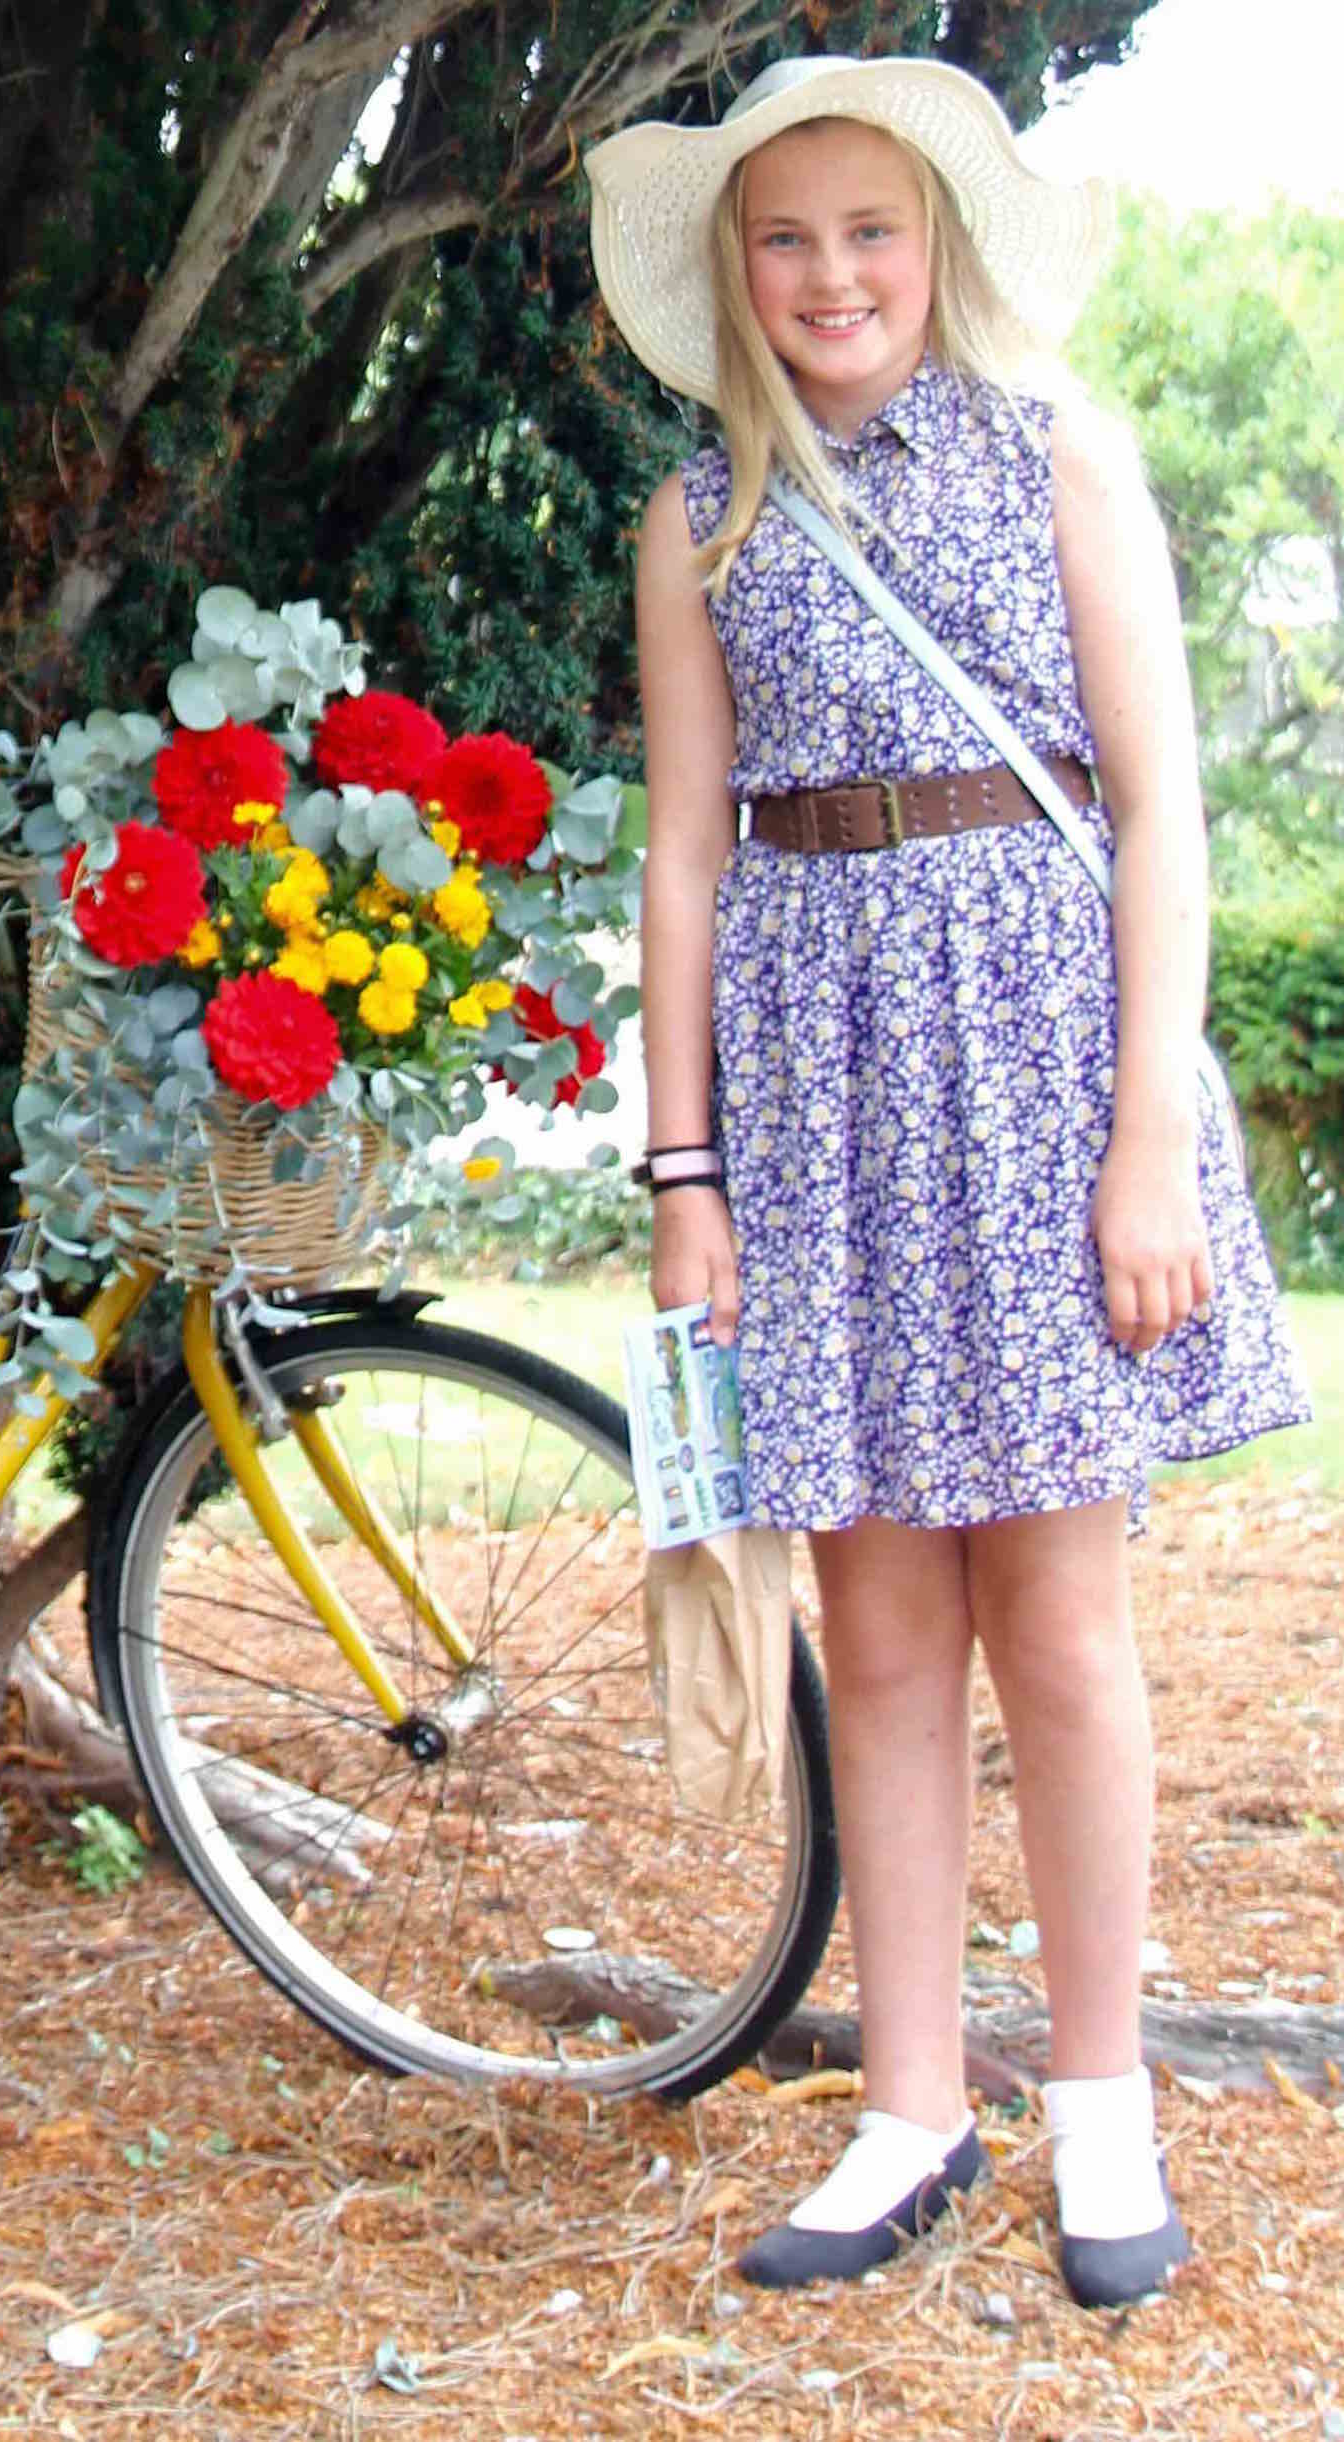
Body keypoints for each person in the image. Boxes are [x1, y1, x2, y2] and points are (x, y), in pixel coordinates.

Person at [589, 57, 1309, 2309]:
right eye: (782, 241)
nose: (827, 277)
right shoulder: (696, 515)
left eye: (865, 233)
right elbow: (685, 856)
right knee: (877, 1629)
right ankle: (910, 2101)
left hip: (1030, 1065)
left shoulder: (1059, 455)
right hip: (809, 1089)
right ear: (732, 272)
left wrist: (1140, 1141)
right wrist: (680, 1169)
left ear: (937, 246)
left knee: (1061, 1627)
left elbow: (1157, 815)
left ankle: (1097, 2095)